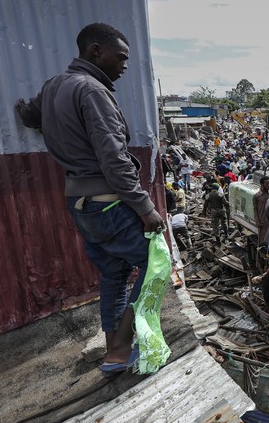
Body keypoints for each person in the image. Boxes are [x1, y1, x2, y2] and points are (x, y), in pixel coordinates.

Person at [15, 22, 165, 377]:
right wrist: (146, 209)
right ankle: (120, 348)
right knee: (155, 266)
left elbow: (33, 115)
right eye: (121, 57)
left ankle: (115, 354)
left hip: (80, 204)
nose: (125, 65)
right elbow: (114, 158)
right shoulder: (92, 91)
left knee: (113, 273)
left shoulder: (55, 86)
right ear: (96, 51)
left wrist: (24, 111)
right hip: (110, 200)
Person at [252, 175, 269, 249]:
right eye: (267, 184)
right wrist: (257, 221)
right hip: (263, 222)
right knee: (263, 242)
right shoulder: (257, 196)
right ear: (262, 184)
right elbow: (255, 209)